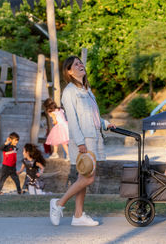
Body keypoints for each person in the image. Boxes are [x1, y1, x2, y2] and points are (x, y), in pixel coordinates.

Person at [49, 55, 115, 227]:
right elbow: (72, 118)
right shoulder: (69, 92)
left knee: (83, 177)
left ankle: (78, 216)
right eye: (76, 64)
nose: (80, 65)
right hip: (83, 140)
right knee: (88, 178)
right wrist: (80, 143)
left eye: (81, 62)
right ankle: (58, 203)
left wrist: (106, 124)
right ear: (69, 72)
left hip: (93, 138)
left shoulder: (87, 90)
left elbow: (93, 117)